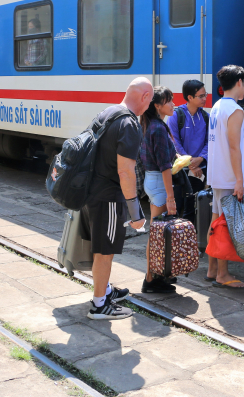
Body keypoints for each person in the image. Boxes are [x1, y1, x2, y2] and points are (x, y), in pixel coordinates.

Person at [83, 77, 152, 320]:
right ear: (144, 97)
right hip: (109, 197)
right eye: (150, 100)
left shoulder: (108, 112)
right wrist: (136, 213)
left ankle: (106, 290)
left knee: (102, 247)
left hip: (93, 190)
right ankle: (99, 305)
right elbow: (125, 171)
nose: (149, 106)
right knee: (105, 251)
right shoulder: (130, 124)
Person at [206, 65, 244, 289]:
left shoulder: (217, 106)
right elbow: (235, 148)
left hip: (217, 174)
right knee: (225, 225)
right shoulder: (235, 110)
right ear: (240, 82)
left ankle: (212, 268)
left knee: (216, 221)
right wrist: (239, 180)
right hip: (229, 176)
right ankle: (222, 275)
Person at [140, 86, 179, 294]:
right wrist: (170, 197)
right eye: (169, 101)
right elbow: (165, 165)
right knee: (157, 235)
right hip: (159, 182)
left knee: (157, 233)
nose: (173, 104)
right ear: (157, 106)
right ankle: (150, 279)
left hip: (151, 179)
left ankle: (156, 276)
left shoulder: (150, 125)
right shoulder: (158, 128)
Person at [168, 79, 209, 193]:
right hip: (180, 170)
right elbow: (173, 141)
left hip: (200, 168)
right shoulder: (176, 115)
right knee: (178, 205)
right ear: (190, 97)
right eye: (201, 96)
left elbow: (210, 141)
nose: (205, 99)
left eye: (205, 95)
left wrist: (201, 158)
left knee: (195, 205)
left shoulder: (206, 117)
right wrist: (191, 163)